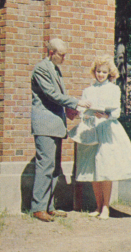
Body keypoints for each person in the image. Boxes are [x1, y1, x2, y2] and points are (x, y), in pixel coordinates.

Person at [69, 55, 131, 219]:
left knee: (105, 168)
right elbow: (83, 112)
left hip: (107, 129)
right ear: (94, 72)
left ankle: (106, 207)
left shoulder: (113, 89)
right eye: (98, 71)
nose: (100, 74)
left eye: (104, 72)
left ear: (109, 73)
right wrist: (83, 113)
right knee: (94, 169)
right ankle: (97, 205)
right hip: (91, 129)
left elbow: (116, 111)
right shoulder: (88, 90)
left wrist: (106, 115)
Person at [30, 38, 91, 222]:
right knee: (45, 166)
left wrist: (69, 110)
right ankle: (38, 208)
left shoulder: (55, 70)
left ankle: (48, 207)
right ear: (51, 52)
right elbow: (52, 95)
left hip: (55, 124)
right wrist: (75, 101)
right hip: (45, 125)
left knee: (54, 168)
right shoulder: (41, 68)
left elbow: (56, 98)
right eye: (61, 55)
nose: (64, 59)